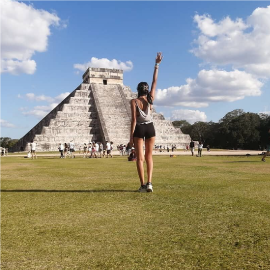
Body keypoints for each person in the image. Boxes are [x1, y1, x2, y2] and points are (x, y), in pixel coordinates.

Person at [129, 52, 163, 193]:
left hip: (139, 129)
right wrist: (157, 64)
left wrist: (130, 137)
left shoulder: (134, 101)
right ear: (147, 90)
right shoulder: (150, 98)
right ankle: (150, 183)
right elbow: (155, 81)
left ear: (137, 90)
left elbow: (134, 119)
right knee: (149, 156)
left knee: (139, 158)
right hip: (150, 128)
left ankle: (142, 185)